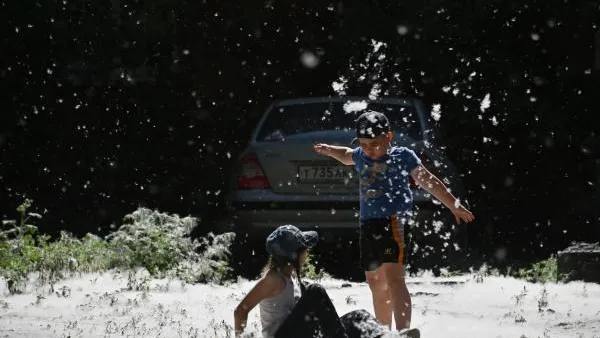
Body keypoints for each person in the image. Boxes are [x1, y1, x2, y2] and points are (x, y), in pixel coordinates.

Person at [313, 110, 475, 335]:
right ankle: (383, 331)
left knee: (393, 277)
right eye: (364, 144)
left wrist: (452, 204)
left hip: (394, 222)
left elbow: (428, 181)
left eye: (375, 144)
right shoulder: (361, 156)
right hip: (368, 224)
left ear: (389, 136)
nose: (369, 150)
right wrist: (329, 150)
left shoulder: (403, 156)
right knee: (375, 281)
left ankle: (403, 331)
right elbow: (346, 154)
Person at [234, 224, 352, 338]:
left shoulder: (292, 276)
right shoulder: (273, 279)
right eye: (304, 249)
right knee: (316, 290)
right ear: (294, 255)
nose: (307, 253)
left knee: (357, 318)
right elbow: (240, 311)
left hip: (298, 332)